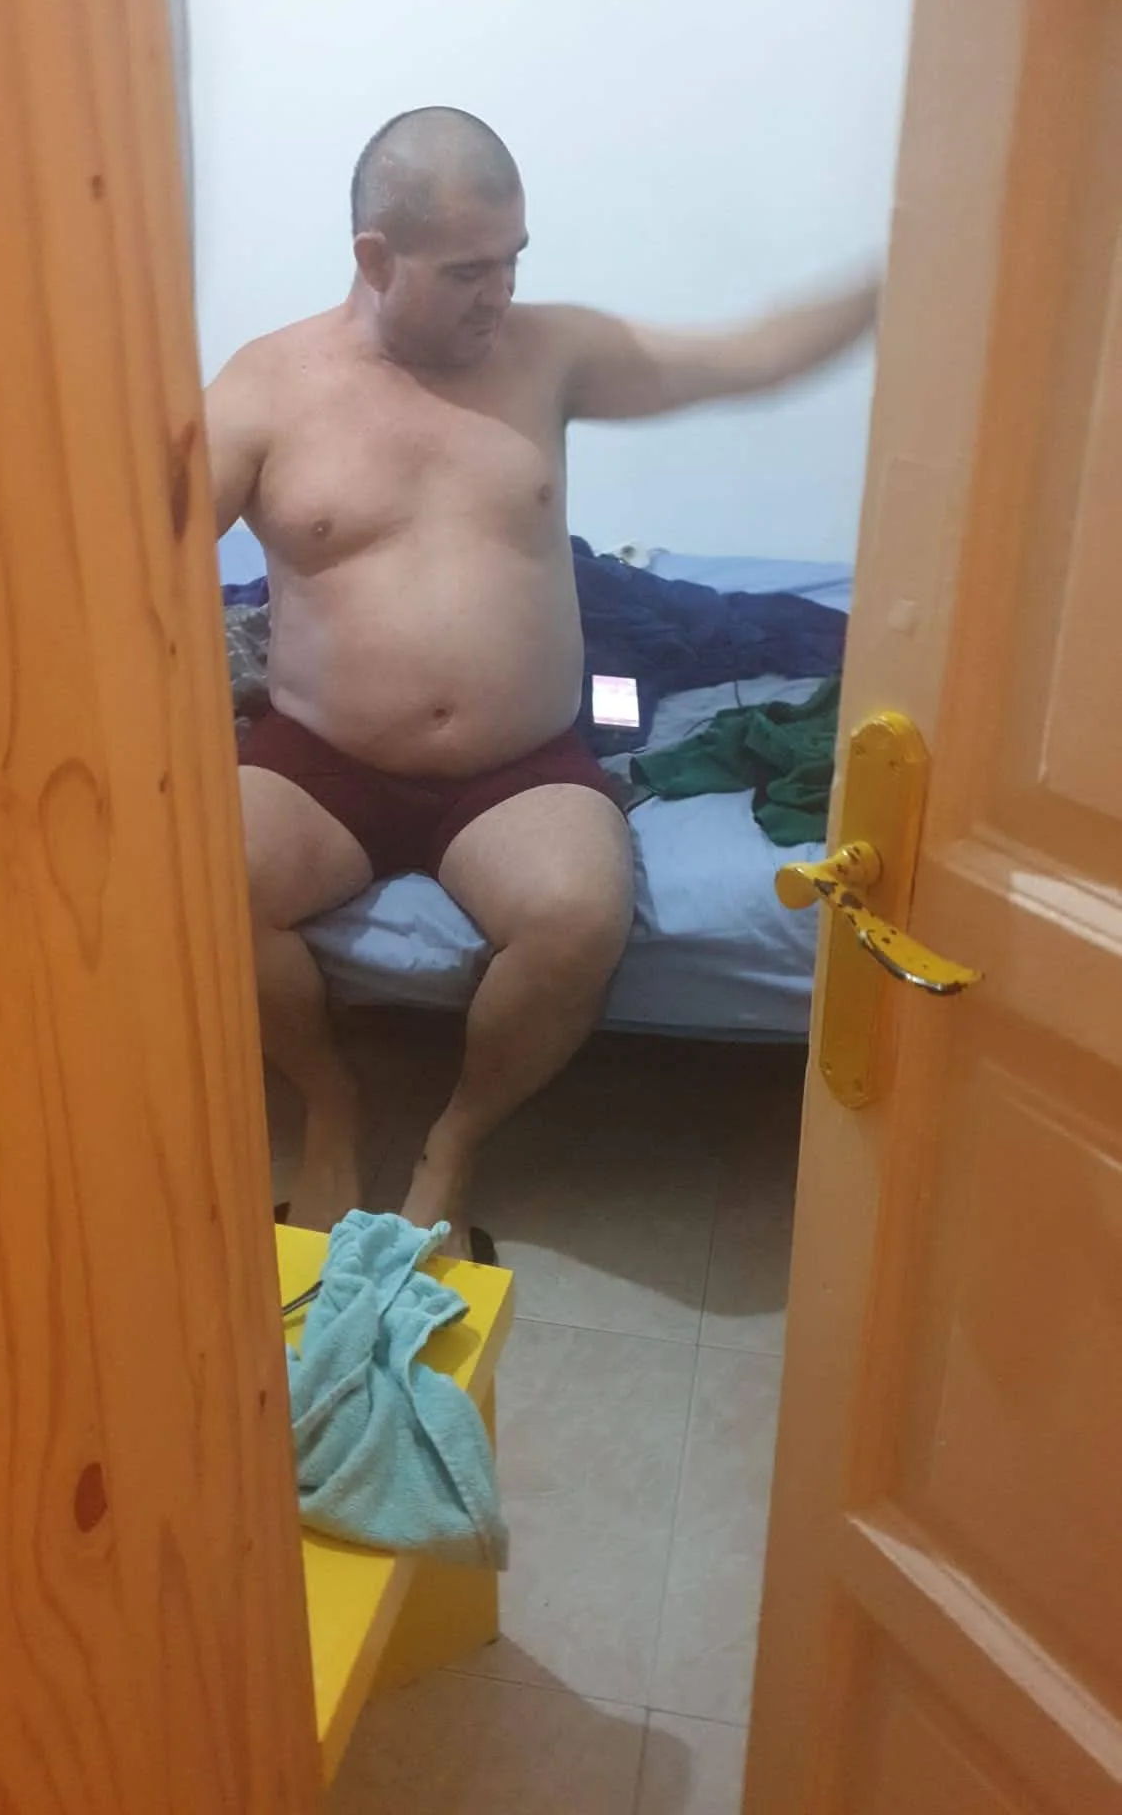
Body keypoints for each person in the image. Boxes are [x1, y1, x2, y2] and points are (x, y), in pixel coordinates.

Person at [207, 106, 877, 1252]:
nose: (500, 293)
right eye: (468, 271)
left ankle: (453, 1144)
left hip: (515, 765)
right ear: (375, 257)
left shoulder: (548, 353)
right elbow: (136, 552)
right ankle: (328, 1102)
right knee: (205, 880)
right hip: (322, 759)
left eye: (514, 259)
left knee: (578, 916)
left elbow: (751, 355)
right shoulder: (264, 387)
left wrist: (906, 268)